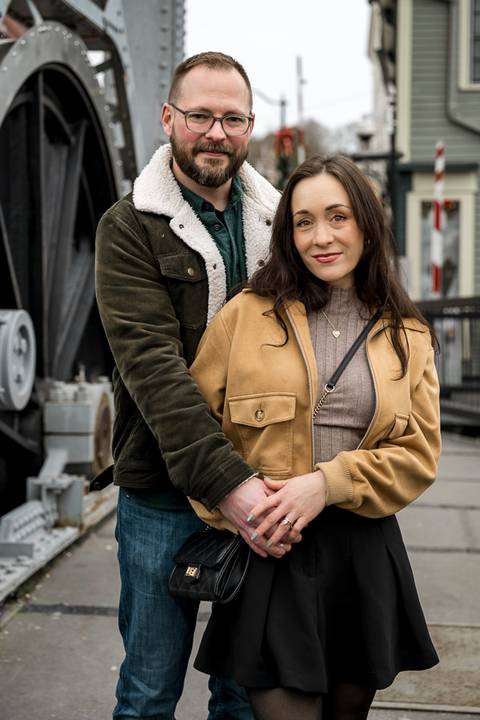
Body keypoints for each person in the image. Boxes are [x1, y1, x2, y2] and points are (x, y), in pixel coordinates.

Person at [189, 154, 441, 720]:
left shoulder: (408, 333)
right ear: (287, 233)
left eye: (337, 216)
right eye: (303, 221)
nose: (320, 237)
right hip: (272, 551)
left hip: (363, 556)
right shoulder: (245, 316)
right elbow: (193, 433)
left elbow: (419, 454)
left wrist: (328, 484)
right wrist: (236, 504)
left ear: (368, 225)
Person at [95, 51, 284, 720]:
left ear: (251, 125)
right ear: (168, 117)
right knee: (148, 692)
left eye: (232, 118)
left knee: (247, 695)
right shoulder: (128, 228)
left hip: (271, 489)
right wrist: (228, 486)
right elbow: (151, 368)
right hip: (164, 494)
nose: (215, 132)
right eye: (200, 115)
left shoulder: (284, 225)